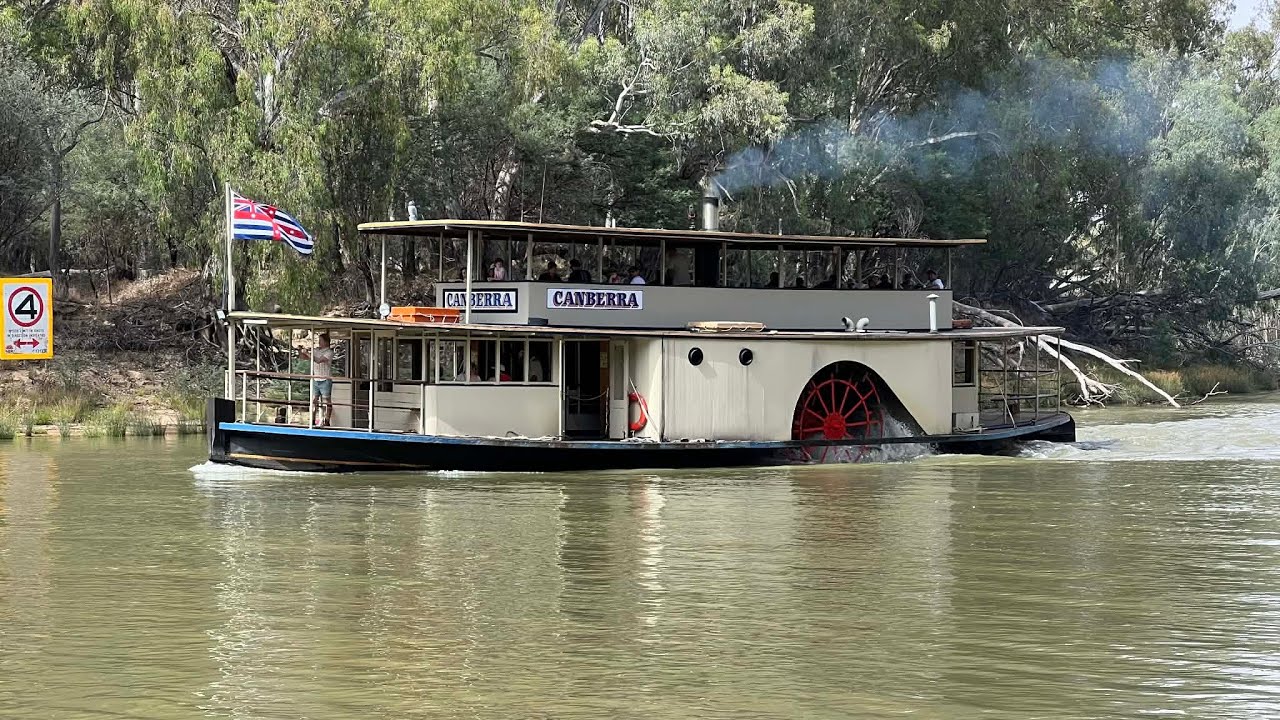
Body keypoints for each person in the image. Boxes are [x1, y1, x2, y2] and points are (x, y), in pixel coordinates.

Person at [299, 332, 333, 426]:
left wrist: (308, 354)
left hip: (325, 378)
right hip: (316, 378)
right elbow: (304, 358)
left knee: (327, 400)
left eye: (321, 341)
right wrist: (301, 351)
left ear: (326, 342)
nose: (319, 342)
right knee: (314, 400)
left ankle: (327, 420)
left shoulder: (329, 352)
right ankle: (313, 419)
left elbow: (318, 360)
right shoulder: (316, 350)